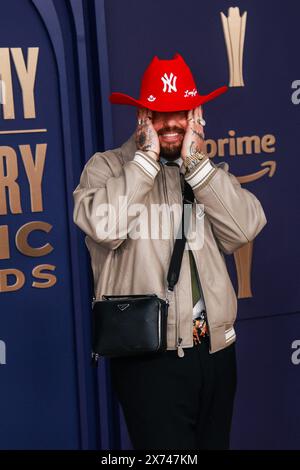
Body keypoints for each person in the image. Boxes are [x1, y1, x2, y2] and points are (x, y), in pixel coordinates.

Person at [72, 53, 267, 450]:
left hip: (214, 352)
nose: (172, 124)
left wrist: (198, 164)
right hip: (149, 358)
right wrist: (144, 160)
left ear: (196, 115)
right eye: (160, 114)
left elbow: (244, 228)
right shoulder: (107, 169)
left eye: (181, 113)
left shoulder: (205, 172)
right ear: (142, 115)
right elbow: (103, 226)